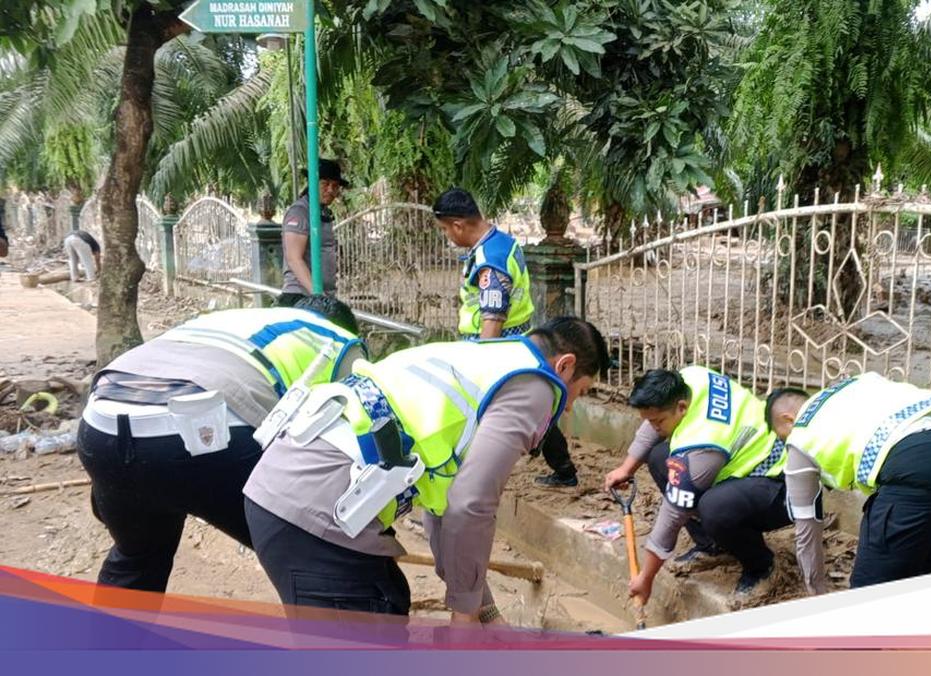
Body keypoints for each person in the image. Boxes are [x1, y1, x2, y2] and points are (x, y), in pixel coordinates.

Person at [243, 317, 608, 623]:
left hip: (281, 492)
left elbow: (445, 511)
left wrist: (483, 610)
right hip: (316, 515)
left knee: (389, 598)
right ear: (565, 366)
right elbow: (471, 505)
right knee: (377, 622)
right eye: (579, 391)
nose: (570, 407)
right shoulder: (536, 386)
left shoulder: (482, 357)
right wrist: (463, 617)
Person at [76, 296, 364, 592]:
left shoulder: (232, 320)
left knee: (138, 555)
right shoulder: (339, 339)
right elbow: (357, 434)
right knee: (321, 555)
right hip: (200, 433)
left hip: (100, 423)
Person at [765, 372, 931, 589]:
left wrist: (815, 591)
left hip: (919, 466)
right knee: (923, 555)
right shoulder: (854, 384)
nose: (786, 442)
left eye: (781, 435)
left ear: (788, 420)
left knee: (869, 592)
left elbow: (807, 528)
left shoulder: (801, 435)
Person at [603, 367, 792, 606]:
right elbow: (651, 425)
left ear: (681, 407)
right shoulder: (690, 377)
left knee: (715, 509)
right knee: (659, 457)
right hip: (745, 454)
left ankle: (761, 567)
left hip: (781, 482)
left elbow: (673, 514)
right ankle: (712, 546)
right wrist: (626, 468)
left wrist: (646, 578)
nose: (654, 426)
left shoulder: (703, 443)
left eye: (658, 421)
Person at [431, 187, 578, 488]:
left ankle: (470, 474)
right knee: (533, 408)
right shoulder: (502, 241)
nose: (448, 236)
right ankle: (564, 469)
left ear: (459, 224)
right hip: (514, 343)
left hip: (498, 348)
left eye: (446, 229)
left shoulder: (490, 260)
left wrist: (482, 363)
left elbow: (493, 316)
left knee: (495, 409)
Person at [279, 159, 349, 306]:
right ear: (312, 183)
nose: (330, 190)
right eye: (325, 184)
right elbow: (294, 259)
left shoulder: (322, 212)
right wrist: (318, 295)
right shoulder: (300, 212)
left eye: (335, 186)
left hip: (318, 297)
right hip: (301, 296)